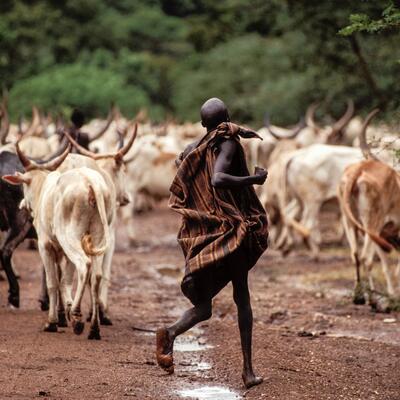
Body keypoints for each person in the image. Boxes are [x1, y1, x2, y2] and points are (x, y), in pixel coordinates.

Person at [156, 97, 269, 388]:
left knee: (204, 308)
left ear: (203, 125)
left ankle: (169, 333)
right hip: (231, 230)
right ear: (227, 117)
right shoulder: (228, 143)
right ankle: (247, 372)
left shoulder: (194, 148)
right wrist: (253, 180)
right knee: (242, 297)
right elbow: (218, 179)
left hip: (207, 232)